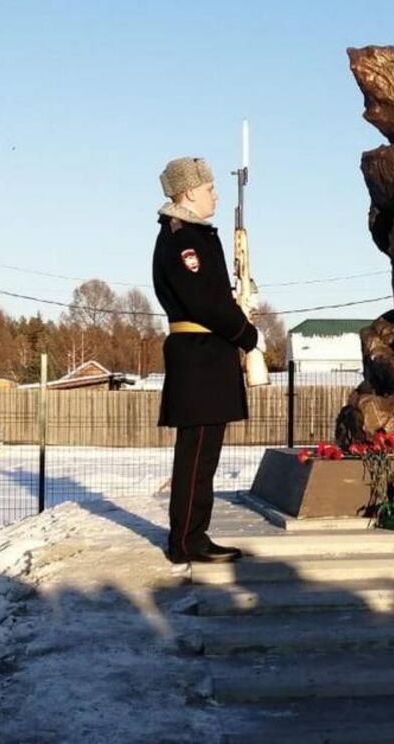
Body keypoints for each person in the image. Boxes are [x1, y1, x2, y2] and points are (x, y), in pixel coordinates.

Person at [152, 156, 261, 563]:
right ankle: (186, 541)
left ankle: (193, 534)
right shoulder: (184, 239)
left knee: (203, 457)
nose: (214, 194)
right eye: (209, 188)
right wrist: (247, 335)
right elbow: (205, 301)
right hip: (198, 359)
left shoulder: (193, 234)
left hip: (206, 357)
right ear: (187, 193)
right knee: (196, 457)